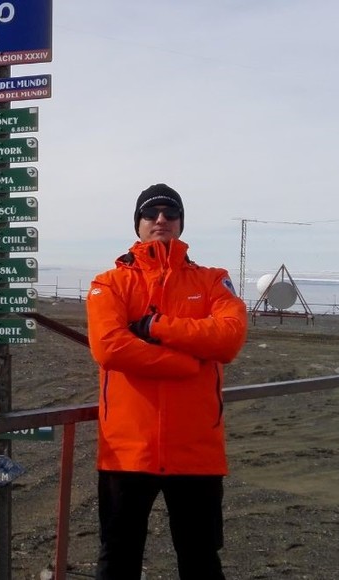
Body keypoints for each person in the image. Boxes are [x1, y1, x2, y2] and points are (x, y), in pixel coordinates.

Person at [86, 183, 248, 580]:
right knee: (118, 559)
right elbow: (110, 347)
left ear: (180, 222)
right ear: (138, 223)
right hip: (127, 449)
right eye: (151, 212)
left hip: (195, 450)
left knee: (201, 560)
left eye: (170, 212)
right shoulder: (110, 282)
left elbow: (227, 338)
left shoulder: (213, 280)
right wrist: (185, 362)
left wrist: (155, 325)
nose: (161, 219)